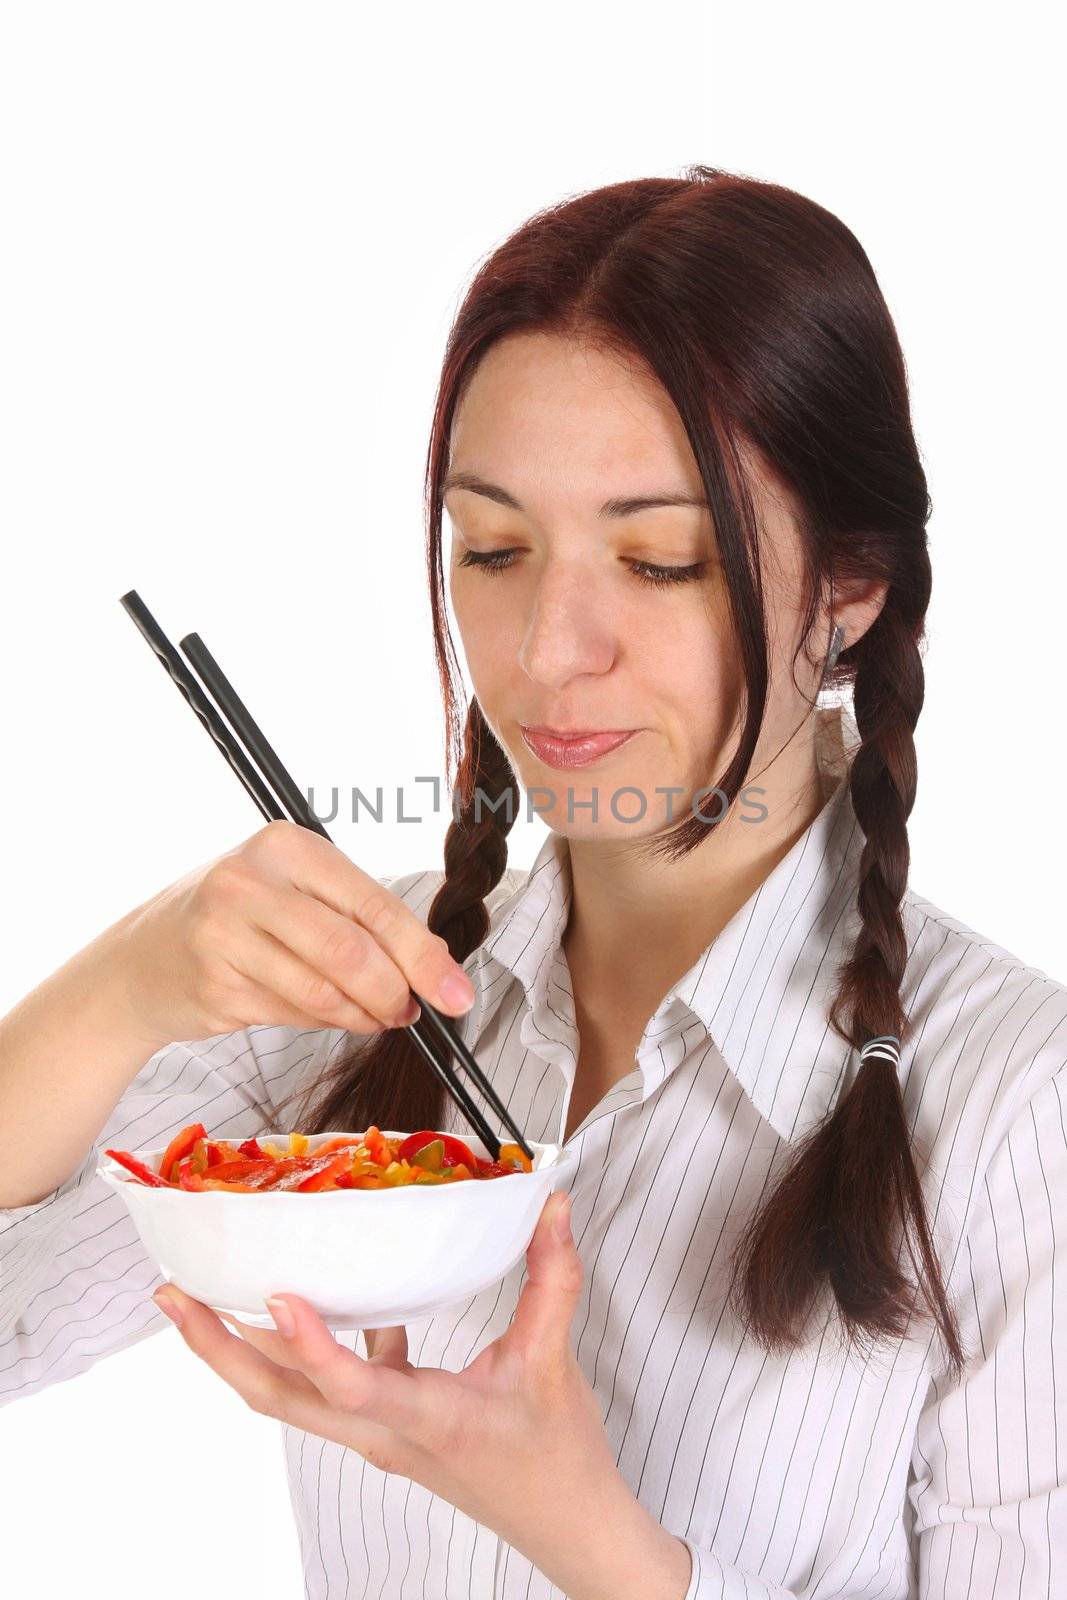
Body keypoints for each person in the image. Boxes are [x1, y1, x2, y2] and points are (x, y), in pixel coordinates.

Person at [2, 165, 1065, 1600]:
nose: (550, 649)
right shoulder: (348, 997)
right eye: (492, 548)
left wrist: (593, 1537)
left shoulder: (1017, 1112)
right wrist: (124, 983)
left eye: (662, 559)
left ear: (853, 587)